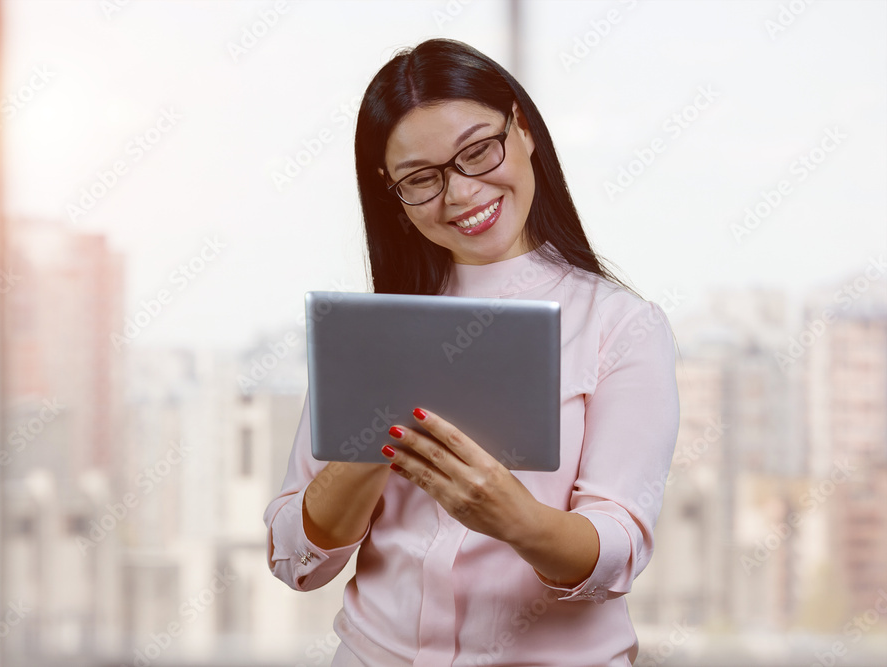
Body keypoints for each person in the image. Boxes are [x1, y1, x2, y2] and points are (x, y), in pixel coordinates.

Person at [263, 37, 681, 666]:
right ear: (391, 191)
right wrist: (374, 437)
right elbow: (296, 558)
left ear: (522, 129)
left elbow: (619, 550)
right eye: (421, 179)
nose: (460, 195)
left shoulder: (621, 326)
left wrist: (515, 517)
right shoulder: (369, 331)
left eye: (478, 151)